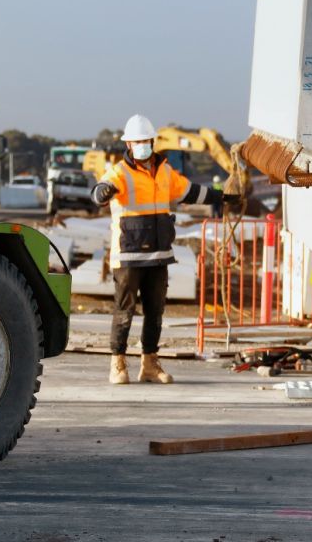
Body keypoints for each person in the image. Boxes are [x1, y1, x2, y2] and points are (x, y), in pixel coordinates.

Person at [91, 114, 227, 385]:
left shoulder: (164, 171)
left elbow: (190, 192)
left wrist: (222, 195)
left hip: (159, 254)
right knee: (124, 311)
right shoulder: (120, 172)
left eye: (145, 141)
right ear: (128, 145)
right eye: (137, 141)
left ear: (153, 142)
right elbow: (98, 191)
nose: (142, 145)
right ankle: (117, 364)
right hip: (128, 256)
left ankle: (149, 365)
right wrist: (102, 192)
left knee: (155, 312)